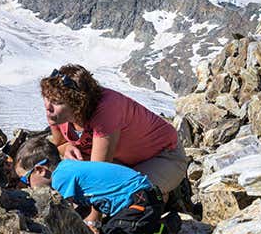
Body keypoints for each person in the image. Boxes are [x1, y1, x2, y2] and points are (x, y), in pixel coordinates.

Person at [14, 136, 177, 234]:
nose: (27, 186)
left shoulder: (60, 177)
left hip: (139, 202)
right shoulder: (68, 168)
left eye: (25, 180)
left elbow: (63, 213)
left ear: (40, 170)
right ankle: (154, 229)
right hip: (142, 199)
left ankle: (162, 233)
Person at [41, 64, 188, 195]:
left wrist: (93, 221)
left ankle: (165, 197)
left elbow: (98, 176)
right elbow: (60, 144)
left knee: (127, 197)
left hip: (163, 157)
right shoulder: (56, 114)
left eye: (57, 102)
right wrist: (69, 147)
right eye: (47, 97)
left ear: (77, 104)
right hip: (122, 159)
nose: (48, 106)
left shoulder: (107, 110)